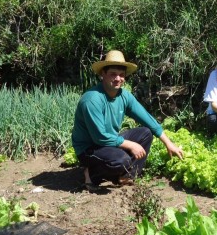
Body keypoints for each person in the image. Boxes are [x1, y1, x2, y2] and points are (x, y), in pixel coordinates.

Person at [72, 50, 183, 191]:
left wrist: (168, 143)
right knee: (121, 160)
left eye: (122, 75)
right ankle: (90, 174)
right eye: (113, 74)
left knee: (145, 133)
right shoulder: (92, 99)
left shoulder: (124, 96)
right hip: (89, 148)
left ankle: (125, 176)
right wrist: (130, 145)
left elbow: (147, 119)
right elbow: (100, 137)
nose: (118, 78)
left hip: (108, 142)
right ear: (103, 74)